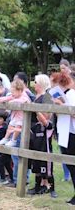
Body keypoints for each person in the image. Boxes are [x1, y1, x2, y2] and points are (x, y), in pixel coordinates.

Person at [27, 74, 57, 198]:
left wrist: (35, 110)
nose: (34, 84)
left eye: (35, 82)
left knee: (44, 158)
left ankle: (50, 186)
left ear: (41, 83)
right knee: (35, 158)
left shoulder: (47, 97)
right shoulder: (36, 97)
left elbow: (46, 119)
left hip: (43, 132)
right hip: (34, 132)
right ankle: (38, 185)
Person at [50, 72, 75, 205]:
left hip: (71, 133)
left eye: (54, 82)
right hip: (64, 132)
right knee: (70, 165)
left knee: (73, 164)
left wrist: (61, 105)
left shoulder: (71, 94)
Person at [0, 79, 30, 147]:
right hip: (15, 116)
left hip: (21, 118)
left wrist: (12, 101)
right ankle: (6, 138)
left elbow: (22, 101)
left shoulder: (24, 96)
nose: (12, 94)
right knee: (10, 126)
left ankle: (13, 140)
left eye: (13, 92)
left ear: (20, 91)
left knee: (17, 128)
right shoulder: (14, 96)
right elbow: (6, 98)